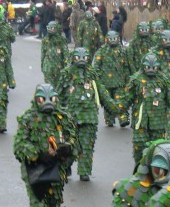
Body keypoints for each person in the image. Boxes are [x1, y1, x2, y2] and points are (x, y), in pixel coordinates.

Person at [13, 83, 77, 207]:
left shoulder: (62, 118)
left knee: (53, 206)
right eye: (43, 98)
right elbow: (19, 145)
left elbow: (72, 138)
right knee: (38, 206)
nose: (47, 102)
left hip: (57, 169)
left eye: (51, 98)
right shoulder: (28, 119)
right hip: (37, 170)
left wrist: (66, 148)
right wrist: (37, 155)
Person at [52, 47, 121, 181]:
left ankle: (84, 171)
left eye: (84, 57)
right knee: (70, 145)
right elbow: (57, 94)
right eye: (78, 57)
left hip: (89, 117)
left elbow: (102, 92)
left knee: (87, 146)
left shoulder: (91, 74)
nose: (82, 61)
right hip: (70, 117)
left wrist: (115, 108)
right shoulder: (67, 74)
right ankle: (66, 166)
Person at [117, 53, 170, 164]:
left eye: (153, 67)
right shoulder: (136, 79)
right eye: (148, 67)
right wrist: (118, 108)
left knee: (158, 147)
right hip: (141, 121)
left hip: (158, 121)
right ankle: (140, 167)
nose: (151, 70)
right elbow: (127, 97)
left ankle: (155, 169)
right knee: (140, 145)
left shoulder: (163, 80)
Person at [91, 30, 131, 127]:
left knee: (120, 100)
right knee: (108, 102)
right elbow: (96, 66)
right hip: (106, 82)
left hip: (119, 82)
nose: (113, 40)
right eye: (111, 39)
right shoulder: (102, 51)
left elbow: (127, 66)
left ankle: (123, 118)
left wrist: (127, 78)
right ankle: (109, 119)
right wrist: (99, 77)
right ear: (107, 40)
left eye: (115, 39)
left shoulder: (123, 51)